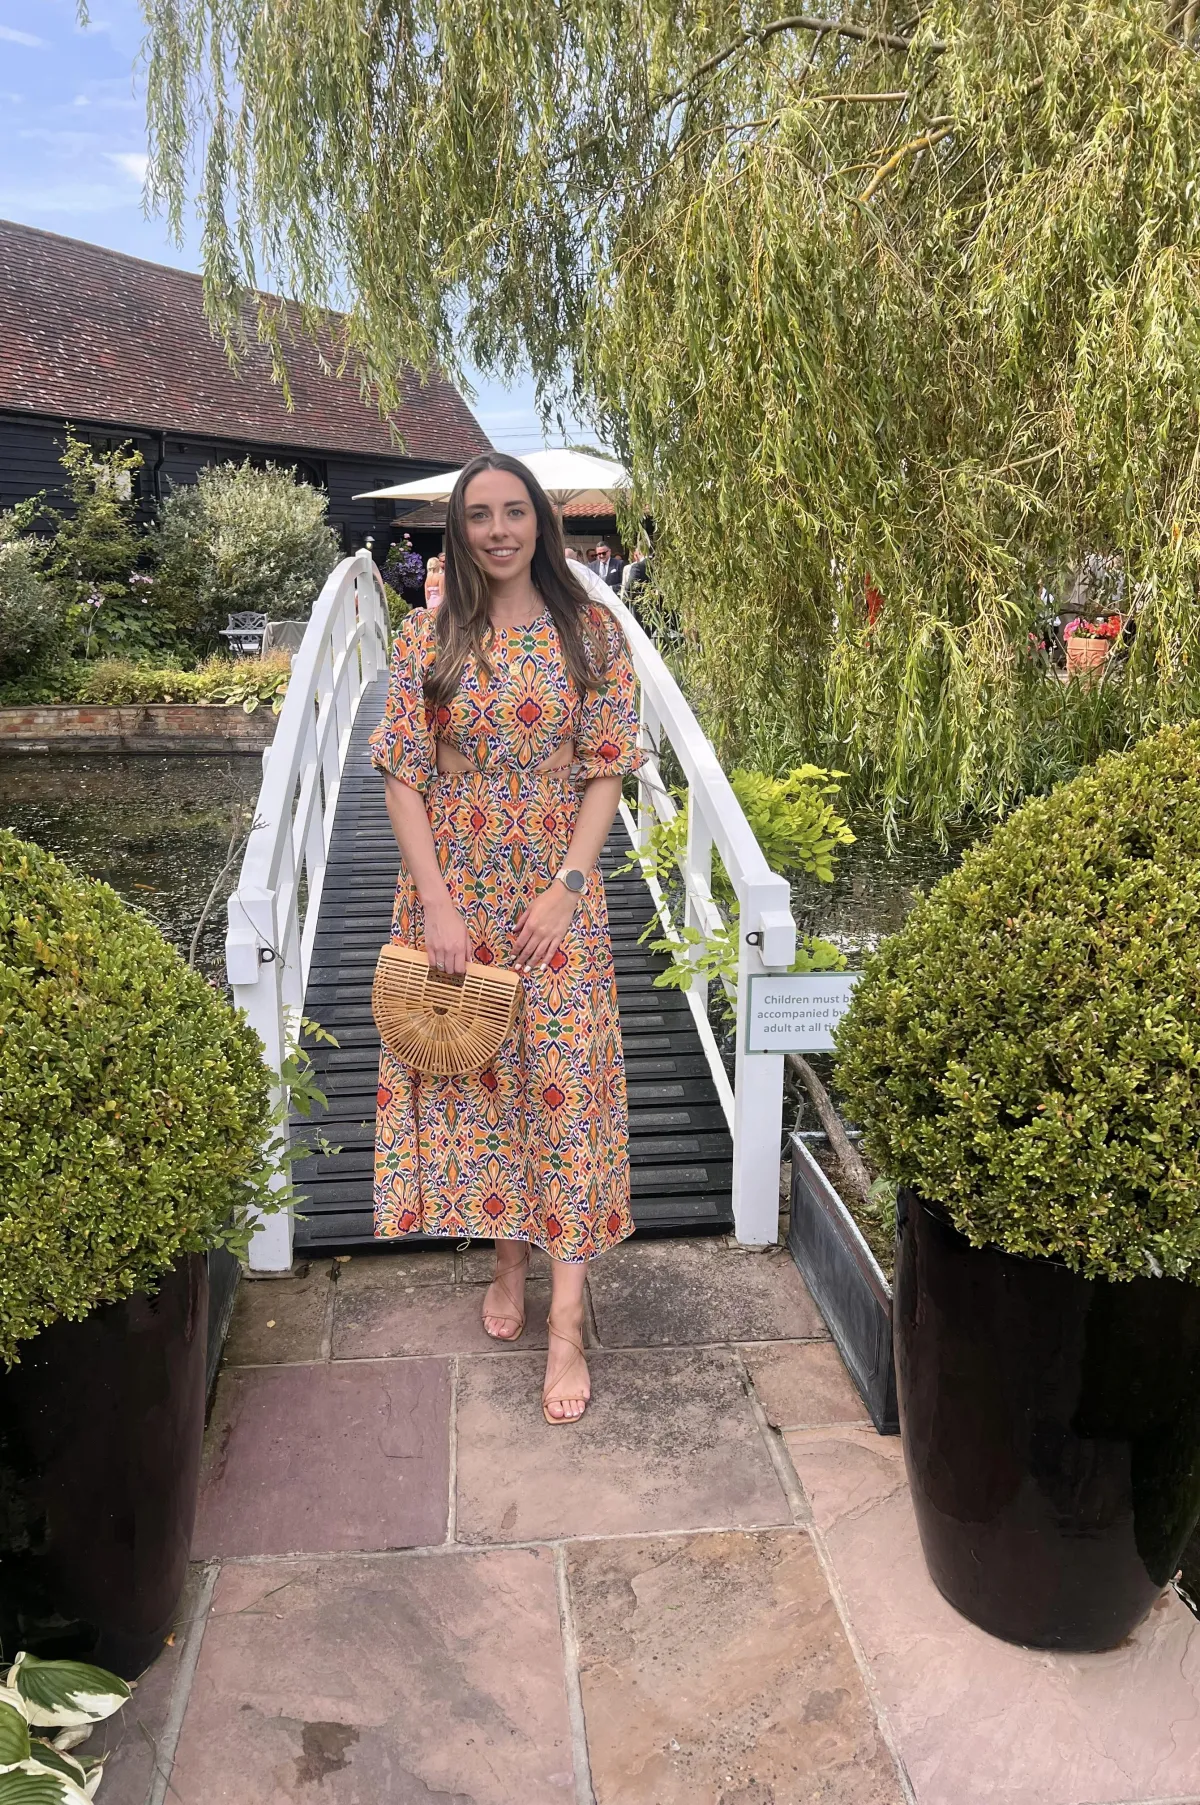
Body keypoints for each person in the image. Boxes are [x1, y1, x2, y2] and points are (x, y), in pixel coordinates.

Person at [369, 452, 644, 1424]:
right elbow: (402, 773)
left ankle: (566, 1320)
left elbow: (605, 767)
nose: (498, 529)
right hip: (457, 889)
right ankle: (507, 1257)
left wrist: (569, 886)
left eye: (514, 511)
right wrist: (437, 904)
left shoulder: (590, 632)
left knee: (565, 1085)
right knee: (483, 1076)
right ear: (459, 528)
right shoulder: (428, 636)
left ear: (541, 523)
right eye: (479, 514)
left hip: (557, 893)